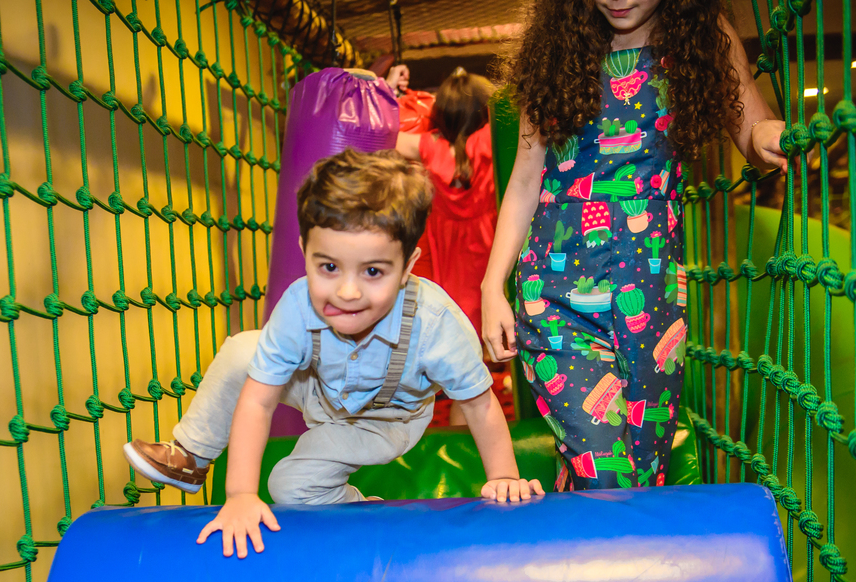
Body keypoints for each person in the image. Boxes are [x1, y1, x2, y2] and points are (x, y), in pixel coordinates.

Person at [125, 149, 544, 559]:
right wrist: (239, 495)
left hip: (385, 419)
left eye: (373, 271)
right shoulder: (298, 305)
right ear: (305, 250)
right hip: (317, 386)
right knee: (240, 352)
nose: (347, 292)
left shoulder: (434, 323)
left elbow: (478, 404)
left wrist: (504, 477)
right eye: (328, 267)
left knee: (288, 486)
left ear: (408, 266)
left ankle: (360, 508)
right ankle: (192, 456)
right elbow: (258, 399)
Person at [480, 0, 787, 490]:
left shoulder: (702, 35)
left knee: (643, 473)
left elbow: (751, 127)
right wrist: (492, 285)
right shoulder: (556, 48)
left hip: (653, 293)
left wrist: (766, 133)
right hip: (555, 291)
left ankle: (576, 533)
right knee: (605, 470)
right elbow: (524, 180)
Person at [396, 68, 499, 425]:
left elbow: (384, 134)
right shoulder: (489, 142)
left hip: (450, 274)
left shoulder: (427, 148)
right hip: (490, 260)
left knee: (466, 368)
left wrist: (390, 92)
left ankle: (457, 433)